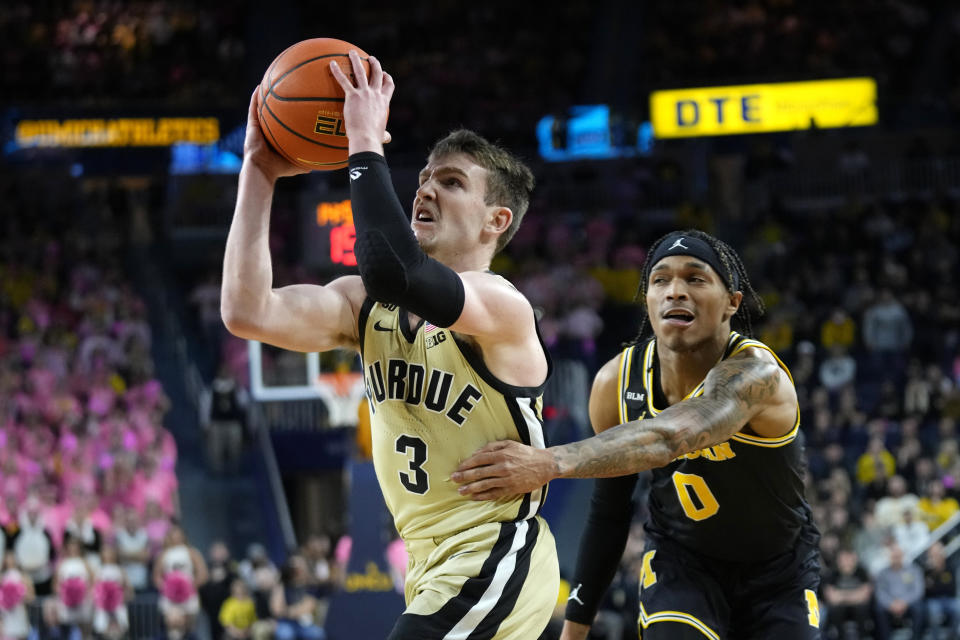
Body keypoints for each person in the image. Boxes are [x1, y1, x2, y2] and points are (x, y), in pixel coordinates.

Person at [221, 51, 559, 639]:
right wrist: (259, 170)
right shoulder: (365, 306)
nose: (425, 190)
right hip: (427, 563)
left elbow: (395, 270)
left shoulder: (503, 307)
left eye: (451, 183)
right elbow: (247, 311)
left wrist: (362, 141)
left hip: (497, 552)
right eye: (424, 177)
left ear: (495, 221)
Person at [453, 229, 822, 639]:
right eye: (660, 280)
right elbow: (610, 511)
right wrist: (575, 628)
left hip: (777, 570)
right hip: (682, 562)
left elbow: (674, 436)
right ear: (646, 299)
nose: (675, 291)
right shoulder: (615, 381)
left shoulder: (757, 374)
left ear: (731, 303)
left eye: (695, 278)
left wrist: (548, 463)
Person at [874, 543, 924, 640]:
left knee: (919, 608)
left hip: (908, 603)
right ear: (890, 557)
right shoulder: (882, 573)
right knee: (878, 609)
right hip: (890, 604)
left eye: (898, 555)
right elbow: (880, 592)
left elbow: (918, 590)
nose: (896, 558)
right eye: (894, 556)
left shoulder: (914, 570)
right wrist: (891, 604)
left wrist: (904, 602)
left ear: (903, 555)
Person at [822, 548, 873, 640]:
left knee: (863, 608)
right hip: (839, 609)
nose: (846, 562)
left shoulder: (862, 572)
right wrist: (855, 595)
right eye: (843, 559)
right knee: (834, 609)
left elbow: (865, 596)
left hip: (858, 608)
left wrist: (841, 596)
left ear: (855, 559)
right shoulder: (832, 573)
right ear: (838, 561)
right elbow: (832, 598)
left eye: (849, 559)